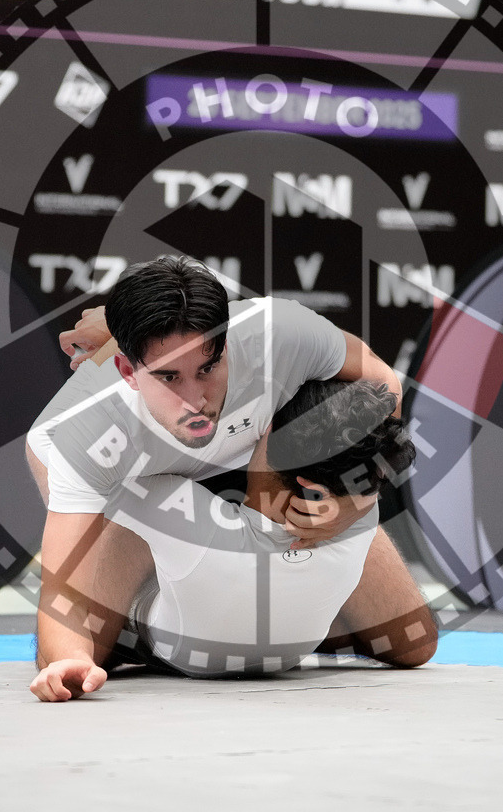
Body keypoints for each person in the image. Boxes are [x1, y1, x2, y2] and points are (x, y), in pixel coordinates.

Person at [26, 256, 437, 700]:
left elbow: (383, 395)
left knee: (412, 642)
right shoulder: (87, 433)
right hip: (132, 476)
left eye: (208, 368)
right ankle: (143, 634)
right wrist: (68, 656)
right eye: (169, 377)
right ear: (128, 371)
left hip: (242, 458)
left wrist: (352, 499)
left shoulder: (281, 334)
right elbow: (60, 586)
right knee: (81, 649)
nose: (195, 401)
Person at [30, 379, 417, 698]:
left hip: (179, 649)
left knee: (113, 524)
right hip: (289, 650)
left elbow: (68, 466)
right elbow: (369, 456)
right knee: (415, 640)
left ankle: (74, 655)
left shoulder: (175, 504)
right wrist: (360, 500)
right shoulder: (363, 512)